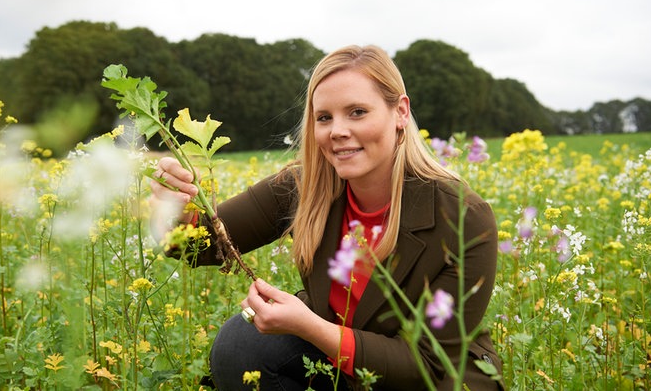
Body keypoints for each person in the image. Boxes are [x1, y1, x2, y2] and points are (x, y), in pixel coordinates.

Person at [149, 45, 503, 390]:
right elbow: (201, 245)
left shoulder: (463, 218)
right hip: (340, 364)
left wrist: (311, 327)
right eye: (324, 117)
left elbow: (424, 364)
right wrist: (172, 206)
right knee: (241, 344)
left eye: (358, 112)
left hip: (431, 378)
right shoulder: (304, 186)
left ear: (401, 113)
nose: (337, 131)